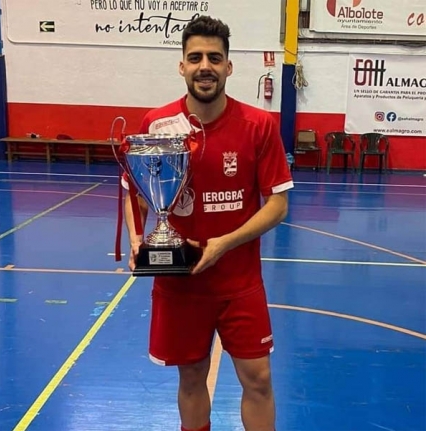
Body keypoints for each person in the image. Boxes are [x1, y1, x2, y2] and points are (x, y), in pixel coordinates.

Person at [123, 15, 294, 431]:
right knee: (192, 377)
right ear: (182, 65)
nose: (205, 66)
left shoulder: (259, 126)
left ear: (229, 67)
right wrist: (136, 242)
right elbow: (136, 193)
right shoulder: (157, 125)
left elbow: (278, 205)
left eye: (214, 58)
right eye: (195, 57)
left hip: (240, 283)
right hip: (181, 285)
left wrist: (225, 242)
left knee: (259, 380)